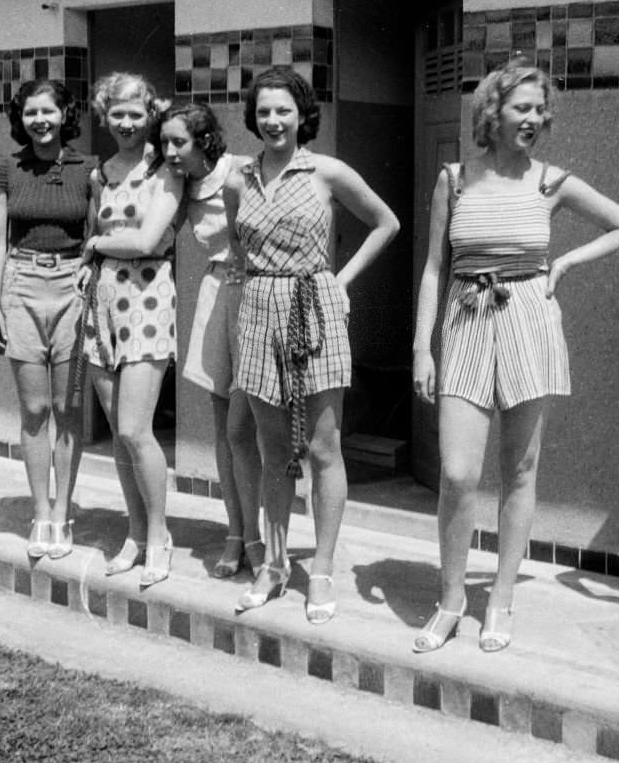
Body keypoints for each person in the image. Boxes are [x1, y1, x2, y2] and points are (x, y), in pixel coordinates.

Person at [411, 58, 619, 653]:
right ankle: (451, 598)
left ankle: (502, 600)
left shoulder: (550, 183)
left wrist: (564, 263)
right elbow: (436, 268)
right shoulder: (455, 179)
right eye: (523, 108)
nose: (534, 118)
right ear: (493, 111)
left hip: (527, 323)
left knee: (520, 470)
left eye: (541, 109)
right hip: (465, 322)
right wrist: (422, 346)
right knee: (458, 473)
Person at [225, 67, 399, 622]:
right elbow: (238, 242)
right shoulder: (239, 178)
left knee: (323, 449)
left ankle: (320, 569)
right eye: (263, 111)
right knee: (273, 450)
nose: (273, 120)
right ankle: (275, 566)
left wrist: (340, 282)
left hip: (314, 307)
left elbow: (385, 223)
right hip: (257, 311)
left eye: (284, 110)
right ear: (252, 117)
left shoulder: (327, 171)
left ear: (303, 114)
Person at [0, 79, 97, 561]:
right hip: (23, 283)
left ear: (63, 114)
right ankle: (41, 513)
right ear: (21, 117)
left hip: (73, 286)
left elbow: (97, 236)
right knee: (34, 411)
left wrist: (90, 284)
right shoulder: (8, 168)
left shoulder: (88, 168)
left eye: (48, 111)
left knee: (67, 409)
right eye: (31, 113)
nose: (40, 121)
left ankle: (64, 513)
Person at [81, 72, 183, 588]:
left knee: (133, 429)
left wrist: (99, 246)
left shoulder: (166, 170)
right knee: (118, 439)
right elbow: (89, 233)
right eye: (116, 113)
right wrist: (90, 256)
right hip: (102, 303)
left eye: (135, 113)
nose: (125, 123)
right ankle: (136, 534)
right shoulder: (100, 173)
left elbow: (147, 240)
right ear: (105, 117)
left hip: (146, 302)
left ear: (151, 114)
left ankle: (161, 537)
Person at [158, 100, 265, 580]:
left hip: (260, 293)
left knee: (254, 425)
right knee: (226, 428)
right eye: (164, 142)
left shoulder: (242, 170)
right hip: (217, 293)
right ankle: (236, 533)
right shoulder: (180, 185)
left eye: (178, 141)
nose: (169, 151)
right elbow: (157, 232)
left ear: (203, 140)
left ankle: (262, 537)